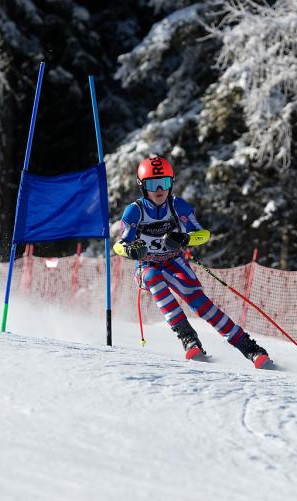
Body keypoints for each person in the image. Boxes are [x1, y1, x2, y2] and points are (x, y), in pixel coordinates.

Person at [113, 155, 270, 367]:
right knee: (152, 277)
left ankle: (249, 348)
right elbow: (119, 245)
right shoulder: (135, 210)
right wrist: (130, 250)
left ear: (171, 183)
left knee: (199, 303)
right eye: (152, 184)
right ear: (142, 186)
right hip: (147, 264)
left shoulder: (178, 206)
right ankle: (188, 338)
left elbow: (203, 234)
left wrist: (185, 238)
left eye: (164, 183)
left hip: (174, 261)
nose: (159, 189)